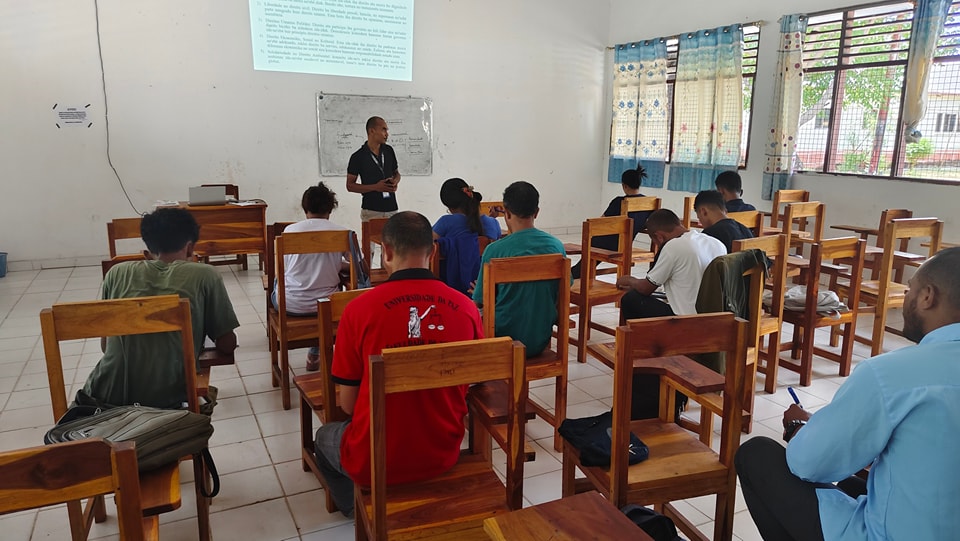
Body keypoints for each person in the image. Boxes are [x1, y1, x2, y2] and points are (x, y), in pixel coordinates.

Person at [736, 247, 960, 541]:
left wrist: (800, 429)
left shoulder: (894, 373)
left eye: (909, 290)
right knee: (854, 484)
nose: (906, 298)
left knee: (757, 455)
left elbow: (810, 465)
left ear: (927, 296)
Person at [314, 211, 483, 518]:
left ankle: (359, 513)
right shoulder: (466, 307)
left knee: (324, 438)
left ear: (387, 252)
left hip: (373, 460)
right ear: (432, 253)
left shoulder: (358, 310)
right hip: (443, 453)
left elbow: (349, 406)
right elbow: (471, 384)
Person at [79, 208, 239, 409]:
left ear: (147, 252)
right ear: (190, 248)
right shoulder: (205, 275)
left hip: (102, 398)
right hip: (168, 402)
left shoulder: (116, 272)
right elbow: (227, 345)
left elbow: (105, 346)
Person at [473, 181, 567, 358]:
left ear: (506, 213)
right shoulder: (556, 246)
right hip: (540, 338)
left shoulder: (494, 250)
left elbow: (480, 301)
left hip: (502, 340)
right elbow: (563, 289)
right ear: (537, 212)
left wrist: (481, 289)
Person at [273, 182, 352, 372]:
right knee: (324, 301)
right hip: (328, 305)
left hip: (289, 304)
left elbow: (283, 268)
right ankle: (315, 352)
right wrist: (337, 264)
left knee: (278, 278)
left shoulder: (290, 231)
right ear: (331, 209)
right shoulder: (342, 232)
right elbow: (361, 268)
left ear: (304, 208)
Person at [616, 209, 726, 320]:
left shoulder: (673, 246)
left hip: (686, 320)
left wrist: (630, 280)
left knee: (631, 299)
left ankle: (640, 337)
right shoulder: (716, 243)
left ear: (659, 237)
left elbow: (646, 288)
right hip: (715, 317)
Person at [571, 166, 653, 279]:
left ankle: (575, 275)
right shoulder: (649, 203)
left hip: (609, 245)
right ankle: (578, 273)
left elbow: (600, 222)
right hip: (626, 245)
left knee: (587, 257)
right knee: (586, 264)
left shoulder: (619, 201)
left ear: (624, 186)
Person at [432, 178, 502, 296]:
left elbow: (427, 244)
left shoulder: (446, 222)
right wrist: (490, 218)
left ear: (448, 205)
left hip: (452, 291)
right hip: (485, 288)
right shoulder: (492, 223)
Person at [346, 116, 401, 222]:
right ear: (372, 131)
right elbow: (350, 186)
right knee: (371, 239)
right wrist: (376, 187)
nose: (387, 134)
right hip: (371, 210)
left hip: (392, 208)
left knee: (392, 239)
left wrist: (395, 182)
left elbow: (397, 173)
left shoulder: (389, 150)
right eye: (384, 129)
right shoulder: (358, 156)